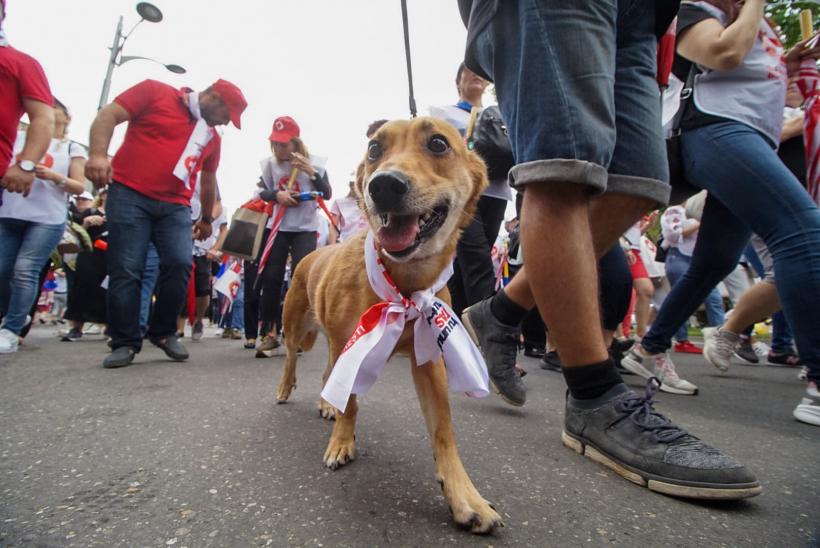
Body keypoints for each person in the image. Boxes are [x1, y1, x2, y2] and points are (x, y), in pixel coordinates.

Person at [458, 0, 763, 498]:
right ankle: (594, 398)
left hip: (643, 14)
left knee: (639, 184)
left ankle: (502, 310)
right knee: (562, 167)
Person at [623, 0, 820, 428]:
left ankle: (649, 348)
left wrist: (788, 60)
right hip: (717, 130)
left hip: (747, 135)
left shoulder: (750, 21)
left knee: (716, 260)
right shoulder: (697, 8)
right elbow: (724, 54)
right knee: (804, 234)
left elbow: (749, 70)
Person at [86, 78, 247, 368]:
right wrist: (97, 155)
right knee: (127, 268)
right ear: (214, 98)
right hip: (128, 194)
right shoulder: (154, 92)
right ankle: (124, 341)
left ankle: (163, 332)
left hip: (175, 205)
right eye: (226, 116)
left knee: (180, 262)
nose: (224, 123)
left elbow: (208, 178)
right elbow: (108, 115)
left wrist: (207, 218)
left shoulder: (211, 137)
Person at [0, 98, 86, 354]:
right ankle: (16, 314)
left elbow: (79, 186)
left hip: (47, 218)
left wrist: (54, 176)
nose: (49, 110)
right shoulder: (17, 138)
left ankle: (12, 329)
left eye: (55, 107)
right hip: (10, 213)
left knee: (25, 269)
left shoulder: (71, 148)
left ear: (65, 116)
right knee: (3, 270)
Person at [245, 116, 331, 357]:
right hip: (279, 228)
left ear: (296, 142)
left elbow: (326, 192)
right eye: (276, 144)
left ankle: (297, 332)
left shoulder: (315, 163)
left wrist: (312, 173)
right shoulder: (270, 165)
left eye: (284, 144)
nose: (280, 149)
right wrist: (276, 195)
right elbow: (261, 192)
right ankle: (270, 333)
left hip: (304, 228)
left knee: (301, 279)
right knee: (271, 278)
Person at [62, 188, 109, 340]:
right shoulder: (90, 212)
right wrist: (86, 224)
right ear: (102, 195)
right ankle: (76, 327)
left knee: (109, 291)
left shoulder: (122, 213)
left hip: (111, 256)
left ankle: (109, 327)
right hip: (90, 254)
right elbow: (73, 236)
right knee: (82, 288)